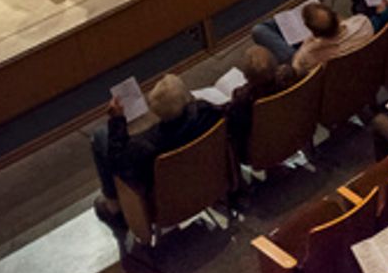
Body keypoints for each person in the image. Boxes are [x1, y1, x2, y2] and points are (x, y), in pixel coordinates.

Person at [90, 74, 220, 229]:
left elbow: (118, 162)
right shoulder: (209, 114)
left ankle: (114, 207)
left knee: (100, 135)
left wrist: (117, 120)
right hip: (212, 183)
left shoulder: (147, 146)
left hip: (166, 205)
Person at [225, 44, 297, 158]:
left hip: (259, 148)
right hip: (292, 129)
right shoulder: (288, 77)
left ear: (246, 76)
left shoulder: (243, 99)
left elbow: (238, 128)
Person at [291, 2, 374, 73]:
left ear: (315, 33)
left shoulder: (309, 54)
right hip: (367, 74)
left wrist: (308, 41)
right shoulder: (363, 23)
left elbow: (296, 67)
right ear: (336, 16)